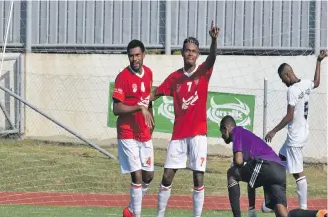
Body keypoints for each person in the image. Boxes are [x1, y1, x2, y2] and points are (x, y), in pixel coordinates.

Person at [149, 21, 219, 217]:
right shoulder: (174, 78)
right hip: (179, 135)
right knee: (167, 176)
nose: (190, 54)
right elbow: (155, 93)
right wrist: (144, 104)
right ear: (182, 53)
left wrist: (214, 41)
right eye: (187, 50)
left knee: (198, 177)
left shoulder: (204, 72)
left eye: (194, 51)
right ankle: (159, 214)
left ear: (198, 55)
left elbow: (212, 58)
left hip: (198, 134)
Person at [219, 115, 327, 217]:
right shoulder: (248, 141)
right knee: (283, 214)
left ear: (225, 129)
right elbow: (251, 180)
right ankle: (319, 214)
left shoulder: (237, 131)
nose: (222, 136)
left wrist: (235, 164)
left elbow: (238, 161)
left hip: (266, 165)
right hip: (279, 169)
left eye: (222, 133)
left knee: (231, 174)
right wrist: (251, 208)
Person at [265, 50, 327, 210]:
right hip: (303, 134)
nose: (283, 82)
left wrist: (273, 130)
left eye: (282, 79)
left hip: (295, 138)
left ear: (286, 75)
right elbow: (317, 82)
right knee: (278, 162)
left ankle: (303, 208)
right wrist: (319, 61)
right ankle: (270, 202)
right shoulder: (306, 83)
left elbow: (289, 116)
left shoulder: (291, 90)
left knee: (298, 173)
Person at [112, 39, 155, 217]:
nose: (135, 59)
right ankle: (136, 214)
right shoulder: (122, 77)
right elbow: (116, 108)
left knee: (149, 175)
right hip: (127, 132)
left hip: (143, 131)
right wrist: (139, 107)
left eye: (137, 55)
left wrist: (151, 115)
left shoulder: (149, 73)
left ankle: (130, 209)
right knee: (136, 175)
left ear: (144, 55)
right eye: (131, 56)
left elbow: (148, 99)